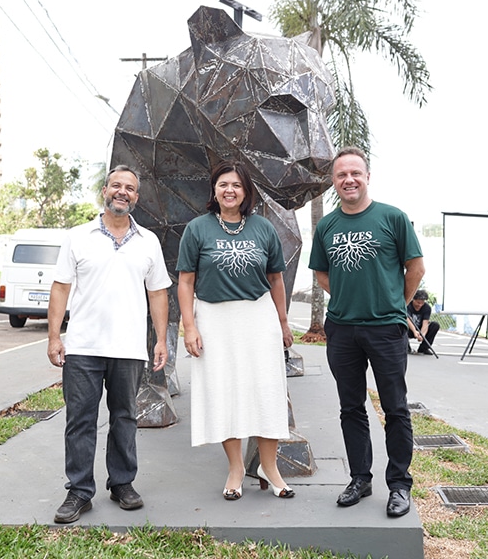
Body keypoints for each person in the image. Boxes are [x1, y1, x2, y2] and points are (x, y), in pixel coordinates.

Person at [46, 165, 171, 524]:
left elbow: (158, 292)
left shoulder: (148, 241)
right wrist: (55, 336)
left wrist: (161, 339)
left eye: (130, 188)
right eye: (116, 185)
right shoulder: (77, 236)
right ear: (104, 191)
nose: (122, 192)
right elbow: (60, 288)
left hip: (129, 348)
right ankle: (79, 491)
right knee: (80, 420)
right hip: (83, 346)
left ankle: (122, 483)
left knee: (124, 419)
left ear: (136, 197)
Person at [309, 146, 425, 518]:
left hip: (385, 330)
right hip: (342, 330)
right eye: (341, 175)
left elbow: (416, 268)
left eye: (355, 173)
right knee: (351, 407)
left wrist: (394, 302)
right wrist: (348, 297)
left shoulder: (392, 218)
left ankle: (399, 485)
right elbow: (321, 274)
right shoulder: (326, 225)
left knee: (395, 408)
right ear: (333, 182)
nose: (349, 180)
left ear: (367, 176)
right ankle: (360, 478)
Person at [176, 162, 295, 501]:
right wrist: (190, 326)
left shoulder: (263, 228)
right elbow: (185, 281)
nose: (230, 190)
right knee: (224, 391)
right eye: (223, 184)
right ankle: (236, 468)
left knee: (266, 390)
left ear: (246, 192)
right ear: (214, 190)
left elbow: (276, 279)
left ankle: (269, 467)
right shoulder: (197, 229)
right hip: (213, 319)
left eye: (237, 185)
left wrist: (283, 322)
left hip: (259, 317)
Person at [407, 290, 440, 355]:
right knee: (400, 326)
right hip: (409, 328)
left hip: (420, 328)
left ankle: (423, 348)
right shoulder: (408, 305)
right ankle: (406, 348)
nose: (420, 305)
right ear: (413, 299)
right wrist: (414, 331)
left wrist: (422, 335)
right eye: (418, 302)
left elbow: (425, 323)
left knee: (435, 325)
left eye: (422, 303)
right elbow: (407, 320)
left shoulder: (427, 308)